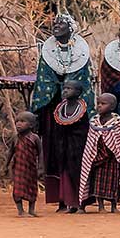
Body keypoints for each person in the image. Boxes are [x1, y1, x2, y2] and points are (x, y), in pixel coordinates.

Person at [31, 13, 94, 211]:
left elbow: (86, 83)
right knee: (55, 152)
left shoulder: (82, 53)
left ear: (71, 28)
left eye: (61, 24)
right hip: (52, 110)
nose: (56, 26)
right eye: (55, 23)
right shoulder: (47, 52)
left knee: (76, 153)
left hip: (78, 112)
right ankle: (60, 199)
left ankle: (79, 198)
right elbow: (42, 82)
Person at [79, 93, 120, 212]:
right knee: (97, 183)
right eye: (98, 103)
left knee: (113, 183)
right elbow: (91, 140)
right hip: (97, 157)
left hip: (112, 158)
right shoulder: (94, 122)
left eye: (103, 104)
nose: (99, 106)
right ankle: (101, 206)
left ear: (112, 107)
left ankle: (113, 206)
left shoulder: (117, 122)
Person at [46, 79, 90, 213]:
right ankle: (68, 203)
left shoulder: (82, 109)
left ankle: (81, 204)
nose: (65, 90)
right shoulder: (60, 108)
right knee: (65, 173)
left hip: (77, 147)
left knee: (78, 173)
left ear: (78, 92)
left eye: (69, 88)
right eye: (64, 88)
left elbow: (84, 130)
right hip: (62, 146)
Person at [8, 111, 41, 218]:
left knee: (32, 188)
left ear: (31, 125)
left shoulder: (35, 138)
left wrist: (41, 168)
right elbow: (10, 152)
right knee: (17, 189)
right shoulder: (15, 138)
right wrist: (5, 165)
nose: (18, 124)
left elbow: (41, 153)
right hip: (18, 168)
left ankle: (31, 210)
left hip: (31, 168)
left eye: (22, 121)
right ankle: (21, 211)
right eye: (17, 121)